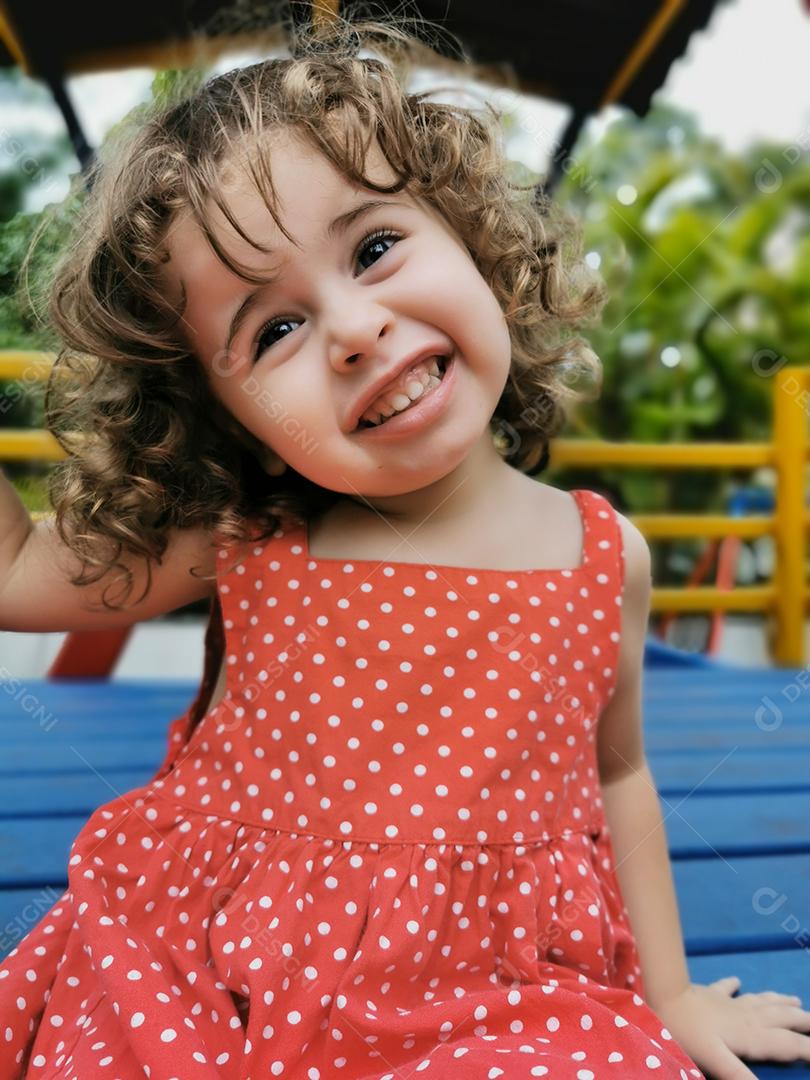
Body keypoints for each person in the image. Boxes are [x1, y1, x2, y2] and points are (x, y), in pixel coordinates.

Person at [0, 11, 807, 1079]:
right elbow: (17, 580)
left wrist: (668, 997)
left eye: (376, 248)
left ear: (474, 239)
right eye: (273, 329)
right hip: (213, 968)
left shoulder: (599, 554)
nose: (351, 329)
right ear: (225, 413)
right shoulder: (252, 536)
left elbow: (620, 777)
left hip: (497, 993)